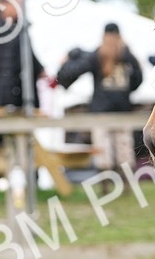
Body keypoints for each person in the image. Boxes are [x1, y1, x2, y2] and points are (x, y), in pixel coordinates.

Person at [56, 23, 144, 169]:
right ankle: (125, 184)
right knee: (124, 150)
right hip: (122, 110)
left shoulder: (98, 55)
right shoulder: (127, 55)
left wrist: (63, 70)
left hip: (101, 111)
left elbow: (75, 70)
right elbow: (138, 79)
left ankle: (106, 184)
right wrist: (126, 92)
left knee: (103, 151)